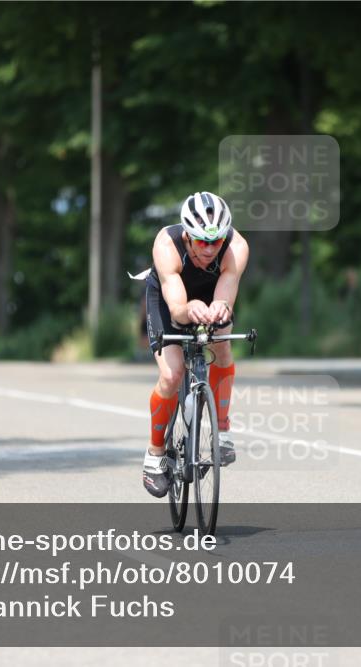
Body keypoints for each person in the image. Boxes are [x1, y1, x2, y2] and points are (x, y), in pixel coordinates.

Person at [141, 191, 249, 498]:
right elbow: (176, 309)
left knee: (223, 343)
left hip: (211, 292)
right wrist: (188, 309)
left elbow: (226, 292)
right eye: (202, 242)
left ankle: (223, 429)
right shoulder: (166, 245)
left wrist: (220, 308)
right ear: (188, 236)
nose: (210, 249)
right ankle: (154, 455)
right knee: (172, 376)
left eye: (216, 242)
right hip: (169, 298)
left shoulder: (236, 247)